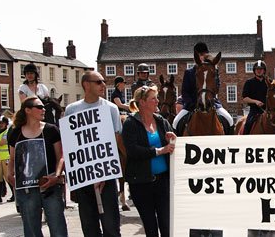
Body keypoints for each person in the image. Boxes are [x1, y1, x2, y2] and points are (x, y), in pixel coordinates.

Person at [64, 71, 123, 237]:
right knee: (90, 228)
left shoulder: (111, 109)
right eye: (99, 82)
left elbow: (116, 140)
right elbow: (70, 145)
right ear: (86, 84)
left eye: (104, 81)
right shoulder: (71, 110)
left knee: (111, 227)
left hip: (107, 177)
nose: (103, 85)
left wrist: (104, 172)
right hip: (83, 179)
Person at [7, 96, 68, 237]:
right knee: (31, 230)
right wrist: (9, 175)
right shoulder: (15, 133)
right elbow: (12, 159)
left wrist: (57, 176)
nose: (43, 109)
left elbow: (61, 157)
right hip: (27, 189)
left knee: (58, 228)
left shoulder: (51, 130)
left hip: (50, 185)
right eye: (39, 107)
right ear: (28, 110)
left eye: (43, 107)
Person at [122, 85, 176, 236]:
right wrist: (159, 151)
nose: (157, 101)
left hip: (163, 182)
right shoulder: (130, 123)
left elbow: (173, 146)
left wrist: (173, 139)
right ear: (142, 102)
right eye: (153, 99)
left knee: (167, 225)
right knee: (150, 226)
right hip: (141, 183)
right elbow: (132, 151)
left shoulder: (162, 121)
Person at [173, 42, 234, 135]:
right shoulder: (189, 72)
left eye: (204, 55)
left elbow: (216, 88)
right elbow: (185, 92)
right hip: (191, 105)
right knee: (175, 122)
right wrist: (193, 104)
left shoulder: (213, 70)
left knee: (229, 120)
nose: (202, 57)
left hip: (212, 103)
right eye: (200, 55)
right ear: (195, 57)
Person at [241, 61, 269, 134]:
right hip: (254, 111)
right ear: (254, 71)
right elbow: (245, 98)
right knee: (248, 124)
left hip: (267, 111)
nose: (259, 71)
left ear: (264, 70)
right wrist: (255, 101)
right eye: (257, 69)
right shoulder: (249, 82)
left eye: (261, 69)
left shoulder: (269, 82)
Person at [0, 116, 14, 203]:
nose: (0, 124)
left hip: (6, 158)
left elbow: (2, 142)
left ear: (6, 124)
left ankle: (14, 195)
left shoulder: (7, 132)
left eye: (2, 123)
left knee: (8, 177)